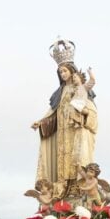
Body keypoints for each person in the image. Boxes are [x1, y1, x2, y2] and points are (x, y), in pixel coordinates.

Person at [33, 58, 98, 198]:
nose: (63, 74)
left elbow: (90, 108)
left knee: (76, 157)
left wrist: (85, 113)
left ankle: (77, 186)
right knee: (62, 159)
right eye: (60, 72)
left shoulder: (81, 88)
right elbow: (52, 111)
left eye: (65, 71)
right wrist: (41, 122)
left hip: (75, 130)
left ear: (72, 72)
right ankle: (63, 187)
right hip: (62, 132)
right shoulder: (60, 92)